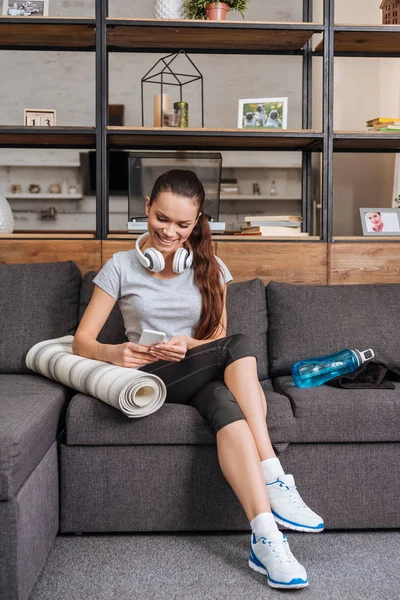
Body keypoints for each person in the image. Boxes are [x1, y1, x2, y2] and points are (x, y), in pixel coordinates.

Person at [72, 169, 324, 590]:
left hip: (196, 370)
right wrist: (115, 352)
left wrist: (188, 345)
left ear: (198, 221)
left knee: (229, 408)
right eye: (161, 219)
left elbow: (214, 337)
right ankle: (274, 474)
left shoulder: (211, 267)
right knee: (237, 345)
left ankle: (266, 540)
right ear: (147, 209)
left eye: (182, 224)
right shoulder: (120, 266)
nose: (170, 232)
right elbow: (82, 342)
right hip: (151, 378)